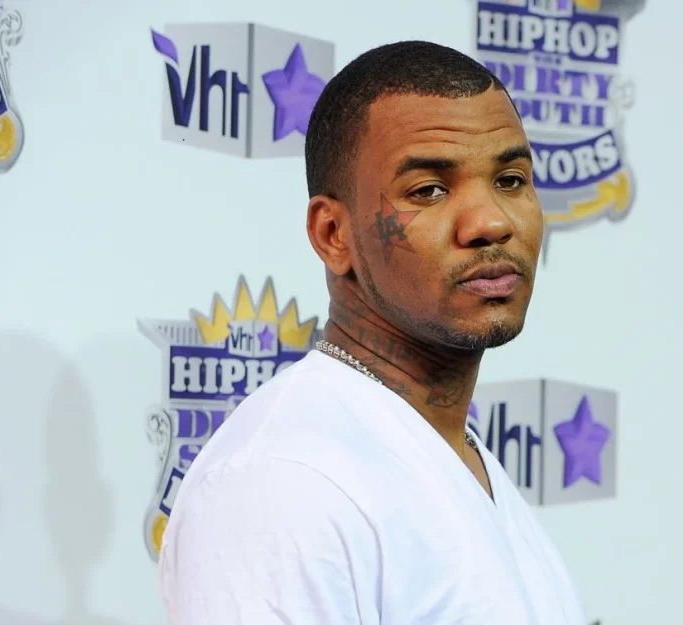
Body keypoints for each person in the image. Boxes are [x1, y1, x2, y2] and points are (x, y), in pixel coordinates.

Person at [158, 40, 587, 625]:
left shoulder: (456, 454)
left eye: (510, 180)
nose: (491, 222)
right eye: (429, 190)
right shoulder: (285, 480)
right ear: (333, 234)